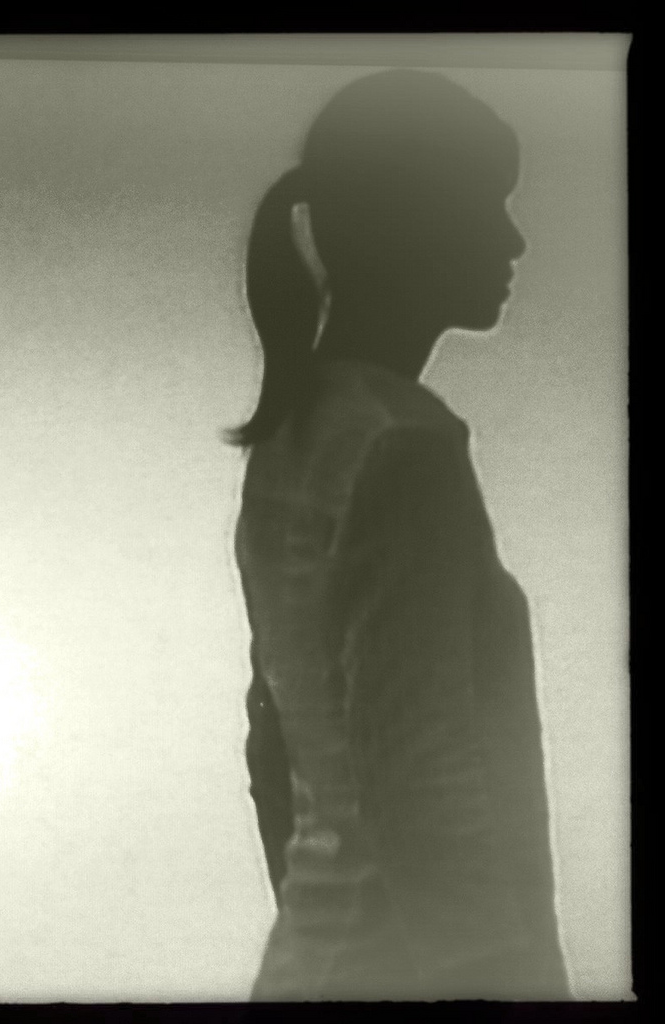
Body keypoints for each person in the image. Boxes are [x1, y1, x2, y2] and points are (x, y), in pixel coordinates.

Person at [228, 69, 572, 1001]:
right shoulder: (404, 446)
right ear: (414, 222)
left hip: (313, 964)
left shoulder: (297, 437)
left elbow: (273, 748)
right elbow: (422, 780)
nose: (513, 238)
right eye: (486, 203)